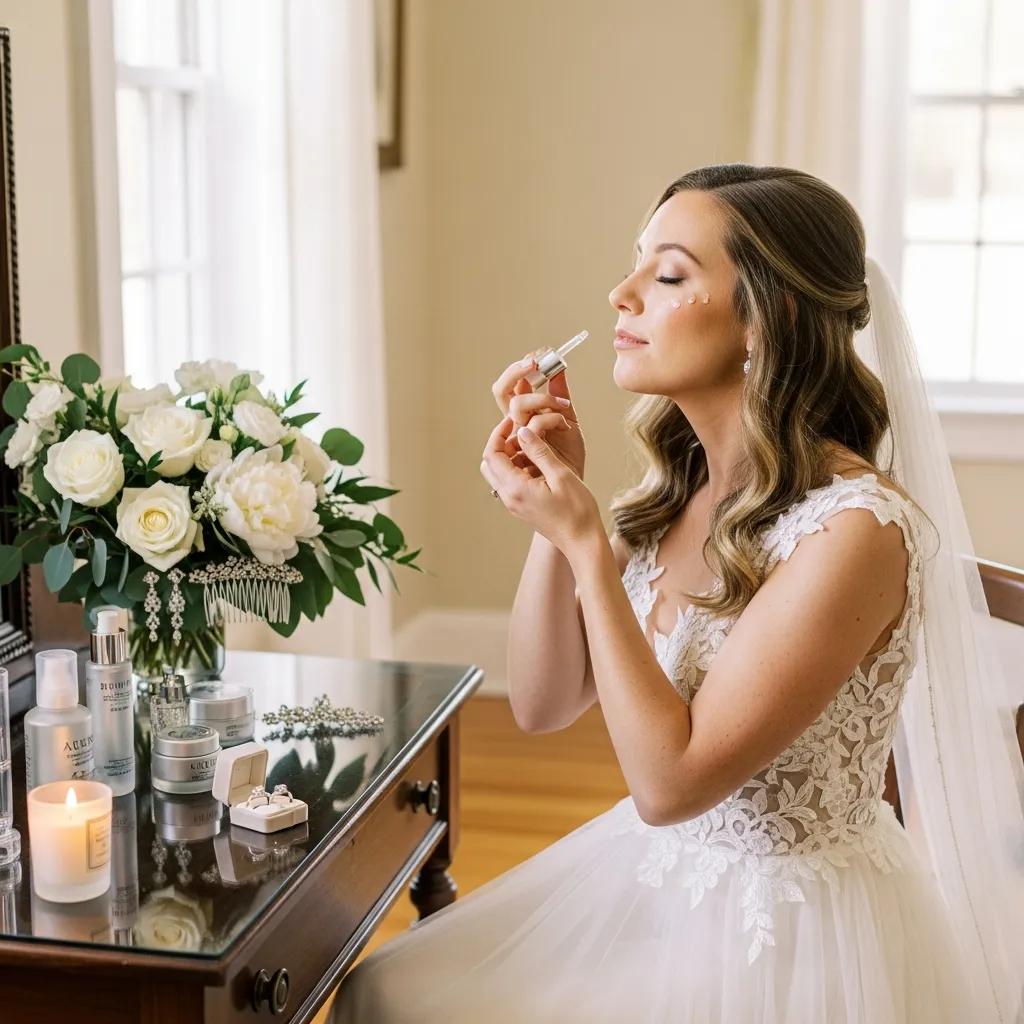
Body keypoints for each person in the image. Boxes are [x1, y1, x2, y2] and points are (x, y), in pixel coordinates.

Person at [330, 164, 1021, 1023]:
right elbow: (542, 702)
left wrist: (586, 544)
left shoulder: (854, 531)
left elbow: (669, 786)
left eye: (666, 275)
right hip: (666, 880)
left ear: (767, 317)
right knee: (384, 987)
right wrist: (555, 515)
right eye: (636, 264)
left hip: (791, 935)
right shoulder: (682, 488)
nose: (621, 295)